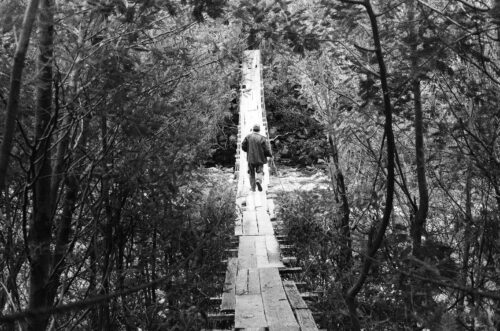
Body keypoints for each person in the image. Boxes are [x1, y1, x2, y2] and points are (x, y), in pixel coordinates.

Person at [242, 124, 272, 192]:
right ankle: (258, 180)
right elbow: (266, 149)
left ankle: (253, 188)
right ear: (259, 130)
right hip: (260, 159)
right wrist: (270, 155)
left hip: (250, 159)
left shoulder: (248, 137)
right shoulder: (262, 138)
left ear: (253, 129)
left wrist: (248, 150)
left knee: (251, 173)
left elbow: (243, 146)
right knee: (260, 171)